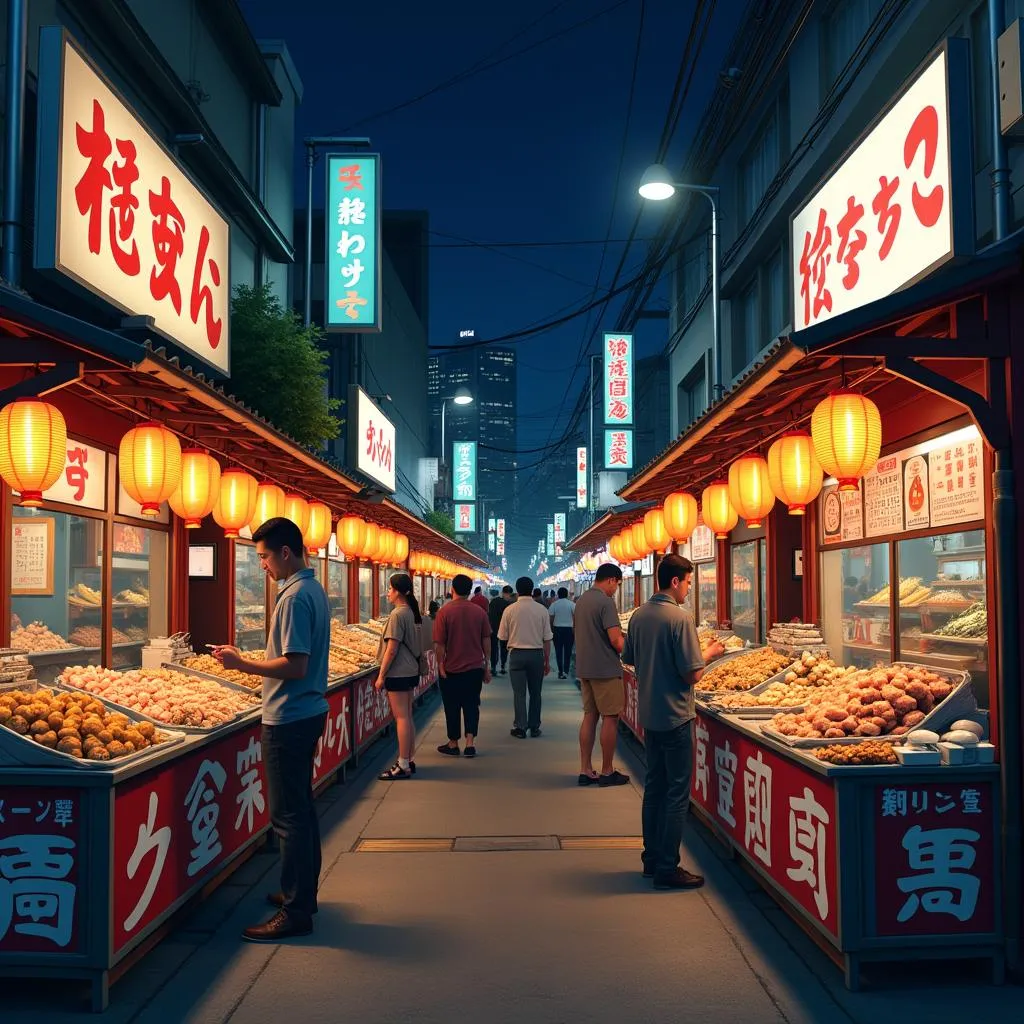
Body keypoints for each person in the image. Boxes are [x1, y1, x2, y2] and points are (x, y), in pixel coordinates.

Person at [213, 517, 329, 942]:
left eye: (263, 556)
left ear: (285, 552)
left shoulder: (295, 597)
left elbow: (294, 665)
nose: (261, 565)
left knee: (289, 817)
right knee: (301, 810)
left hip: (290, 716)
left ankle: (296, 911)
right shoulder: (311, 589)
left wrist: (240, 663)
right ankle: (302, 894)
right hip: (307, 712)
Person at [622, 554, 725, 890]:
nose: (689, 590)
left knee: (655, 788)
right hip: (677, 716)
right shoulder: (680, 618)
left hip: (650, 714)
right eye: (689, 583)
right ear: (676, 581)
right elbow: (692, 672)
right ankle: (669, 866)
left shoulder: (639, 616)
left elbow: (630, 659)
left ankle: (651, 860)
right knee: (677, 794)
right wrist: (710, 653)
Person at [573, 563, 629, 787]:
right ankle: (607, 770)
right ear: (611, 580)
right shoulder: (605, 602)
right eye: (617, 584)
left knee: (589, 716)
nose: (615, 589)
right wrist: (634, 649)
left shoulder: (582, 600)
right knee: (610, 718)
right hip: (605, 669)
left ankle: (585, 769)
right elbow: (616, 641)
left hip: (585, 668)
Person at [434, 574, 492, 757]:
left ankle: (453, 743)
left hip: (451, 669)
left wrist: (440, 665)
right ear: (470, 590)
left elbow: (439, 644)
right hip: (474, 668)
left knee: (451, 706)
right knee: (472, 704)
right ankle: (470, 743)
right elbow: (486, 640)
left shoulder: (444, 612)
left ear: (452, 589)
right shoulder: (479, 612)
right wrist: (487, 665)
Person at [375, 573, 424, 781]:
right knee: (408, 716)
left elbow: (392, 648)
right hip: (410, 669)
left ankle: (402, 764)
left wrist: (381, 675)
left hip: (398, 671)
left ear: (397, 591)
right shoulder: (411, 612)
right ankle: (409, 759)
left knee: (401, 717)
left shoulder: (397, 614)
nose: (388, 592)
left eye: (390, 588)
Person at [499, 576, 552, 738]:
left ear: (517, 589)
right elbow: (547, 639)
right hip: (536, 654)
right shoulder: (542, 610)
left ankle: (521, 727)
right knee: (536, 692)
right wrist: (547, 660)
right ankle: (534, 727)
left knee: (519, 693)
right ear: (532, 589)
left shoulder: (509, 610)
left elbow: (502, 636)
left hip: (516, 655)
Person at [548, 587, 576, 680]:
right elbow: (575, 617)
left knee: (558, 651)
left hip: (557, 630)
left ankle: (560, 671)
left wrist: (551, 629)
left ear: (558, 595)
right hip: (569, 630)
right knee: (568, 651)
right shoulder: (572, 604)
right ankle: (566, 671)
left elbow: (551, 618)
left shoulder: (554, 604)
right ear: (567, 594)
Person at [488, 588, 510, 675]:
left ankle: (493, 667)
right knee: (504, 648)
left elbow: (489, 615)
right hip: (504, 629)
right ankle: (503, 665)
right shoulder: (507, 604)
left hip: (493, 628)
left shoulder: (492, 602)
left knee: (494, 648)